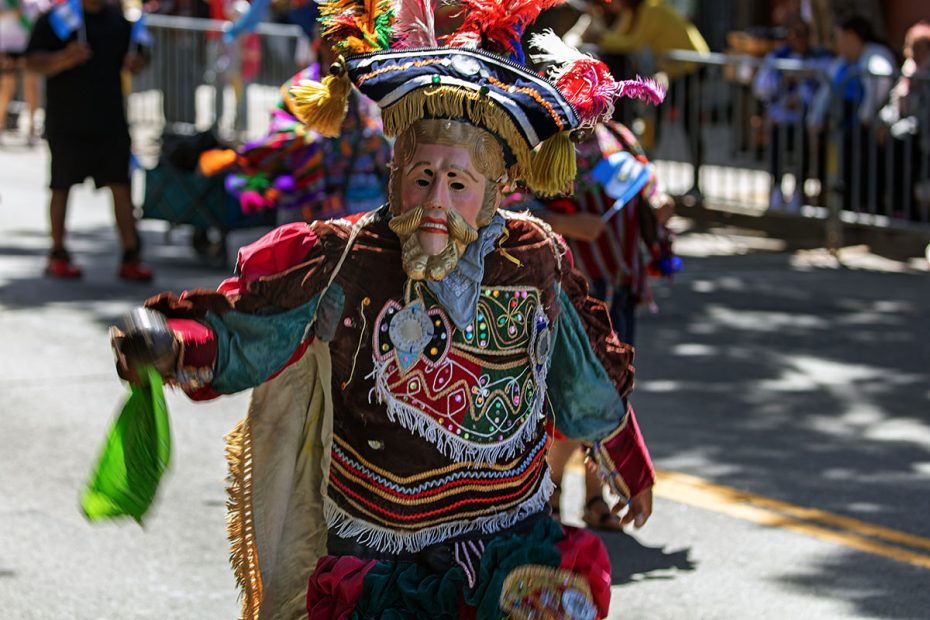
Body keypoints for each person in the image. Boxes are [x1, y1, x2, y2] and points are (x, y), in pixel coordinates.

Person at [110, 2, 664, 617]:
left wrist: (627, 460)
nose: (435, 200)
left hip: (511, 543)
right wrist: (176, 342)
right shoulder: (348, 256)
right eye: (422, 176)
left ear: (496, 191)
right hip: (382, 560)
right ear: (396, 168)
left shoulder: (537, 256)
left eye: (459, 184)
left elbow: (581, 375)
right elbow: (254, 326)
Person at [506, 120, 675, 530]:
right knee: (569, 389)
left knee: (611, 387)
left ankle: (593, 493)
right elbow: (506, 201)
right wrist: (569, 225)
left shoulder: (617, 135)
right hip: (566, 282)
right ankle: (554, 487)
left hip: (617, 282)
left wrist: (659, 201)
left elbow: (645, 178)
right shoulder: (537, 138)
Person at [26, 0, 153, 280]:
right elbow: (32, 61)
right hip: (66, 122)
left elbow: (141, 56)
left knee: (121, 186)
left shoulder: (118, 21)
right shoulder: (57, 19)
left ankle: (131, 255)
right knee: (60, 186)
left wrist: (137, 63)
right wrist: (62, 59)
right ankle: (57, 252)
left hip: (109, 120)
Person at [592, 0, 709, 197]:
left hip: (690, 68)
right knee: (654, 119)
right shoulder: (633, 12)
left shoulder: (651, 8)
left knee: (688, 124)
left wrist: (600, 39)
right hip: (675, 69)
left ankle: (693, 184)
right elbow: (622, 35)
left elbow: (633, 42)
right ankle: (647, 178)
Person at [808, 14, 895, 214]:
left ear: (851, 36)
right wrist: (815, 119)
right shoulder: (841, 62)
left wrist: (865, 115)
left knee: (861, 168)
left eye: (838, 38)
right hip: (841, 123)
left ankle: (862, 207)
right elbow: (825, 93)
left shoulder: (875, 55)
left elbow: (880, 81)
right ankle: (838, 206)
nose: (836, 43)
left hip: (866, 127)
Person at [752, 18, 832, 210]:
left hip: (806, 120)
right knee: (777, 150)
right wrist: (781, 83)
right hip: (781, 118)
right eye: (795, 35)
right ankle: (778, 190)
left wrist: (804, 96)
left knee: (804, 152)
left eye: (804, 35)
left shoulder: (820, 58)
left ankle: (799, 191)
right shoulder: (777, 57)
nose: (800, 39)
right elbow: (760, 87)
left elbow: (827, 87)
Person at [879, 21, 930, 218]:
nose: (915, 52)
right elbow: (894, 102)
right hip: (907, 132)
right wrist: (885, 122)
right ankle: (900, 207)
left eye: (921, 47)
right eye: (912, 46)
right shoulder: (908, 70)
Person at [0, 0, 42, 145]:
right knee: (6, 87)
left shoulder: (35, 3)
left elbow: (40, 20)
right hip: (7, 47)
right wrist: (12, 12)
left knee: (31, 87)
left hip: (29, 48)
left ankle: (32, 129)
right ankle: (1, 126)